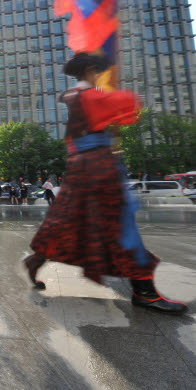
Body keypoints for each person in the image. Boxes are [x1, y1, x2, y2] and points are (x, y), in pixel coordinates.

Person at [24, 53, 187, 314]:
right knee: (122, 226)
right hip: (100, 166)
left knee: (68, 219)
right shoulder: (92, 97)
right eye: (98, 70)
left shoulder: (75, 96)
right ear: (90, 70)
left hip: (79, 166)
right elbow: (131, 109)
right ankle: (145, 292)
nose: (100, 74)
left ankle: (37, 259)